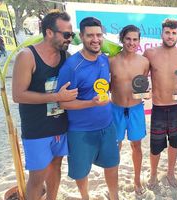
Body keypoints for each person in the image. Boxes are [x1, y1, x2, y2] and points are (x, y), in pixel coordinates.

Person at [12, 11, 77, 200]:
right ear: (49, 32)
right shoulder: (27, 56)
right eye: (66, 35)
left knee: (56, 167)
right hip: (37, 129)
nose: (70, 39)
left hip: (61, 125)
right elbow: (18, 95)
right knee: (37, 176)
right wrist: (57, 96)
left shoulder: (67, 56)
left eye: (71, 35)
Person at [56, 17, 119, 199]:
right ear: (81, 37)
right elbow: (62, 103)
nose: (95, 39)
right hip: (80, 131)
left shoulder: (104, 60)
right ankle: (85, 196)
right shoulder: (72, 67)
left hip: (107, 126)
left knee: (112, 164)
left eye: (99, 35)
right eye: (90, 35)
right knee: (81, 171)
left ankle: (114, 196)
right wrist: (91, 103)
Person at [143, 18, 177, 188]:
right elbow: (141, 78)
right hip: (159, 107)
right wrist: (144, 91)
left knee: (175, 142)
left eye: (174, 33)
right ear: (161, 33)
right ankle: (153, 174)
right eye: (168, 33)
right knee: (155, 146)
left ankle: (170, 172)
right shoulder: (150, 53)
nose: (171, 36)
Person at [110, 25, 149, 195]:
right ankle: (114, 181)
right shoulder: (111, 60)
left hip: (135, 110)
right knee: (115, 147)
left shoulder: (144, 62)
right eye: (128, 39)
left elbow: (144, 85)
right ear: (122, 39)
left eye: (135, 39)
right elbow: (106, 86)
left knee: (137, 146)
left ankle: (136, 180)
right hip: (116, 109)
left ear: (139, 41)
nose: (131, 43)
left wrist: (147, 94)